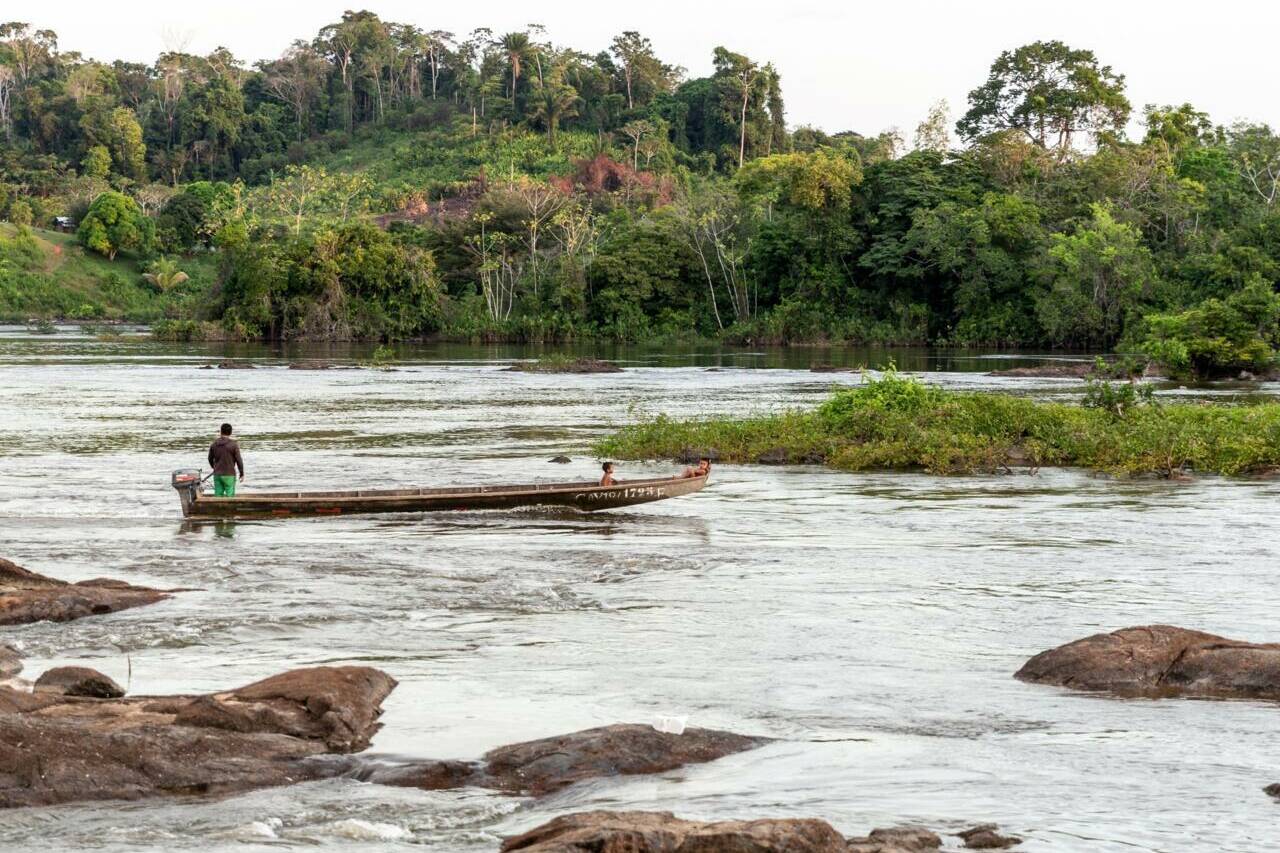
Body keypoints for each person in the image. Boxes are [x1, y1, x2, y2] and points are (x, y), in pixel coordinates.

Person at [208, 423, 245, 497]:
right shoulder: (234, 445)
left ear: (221, 432)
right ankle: (230, 509)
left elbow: (210, 458)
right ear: (230, 432)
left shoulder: (214, 444)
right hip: (229, 474)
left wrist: (215, 468)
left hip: (217, 474)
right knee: (230, 496)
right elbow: (239, 461)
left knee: (218, 496)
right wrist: (241, 473)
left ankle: (218, 508)